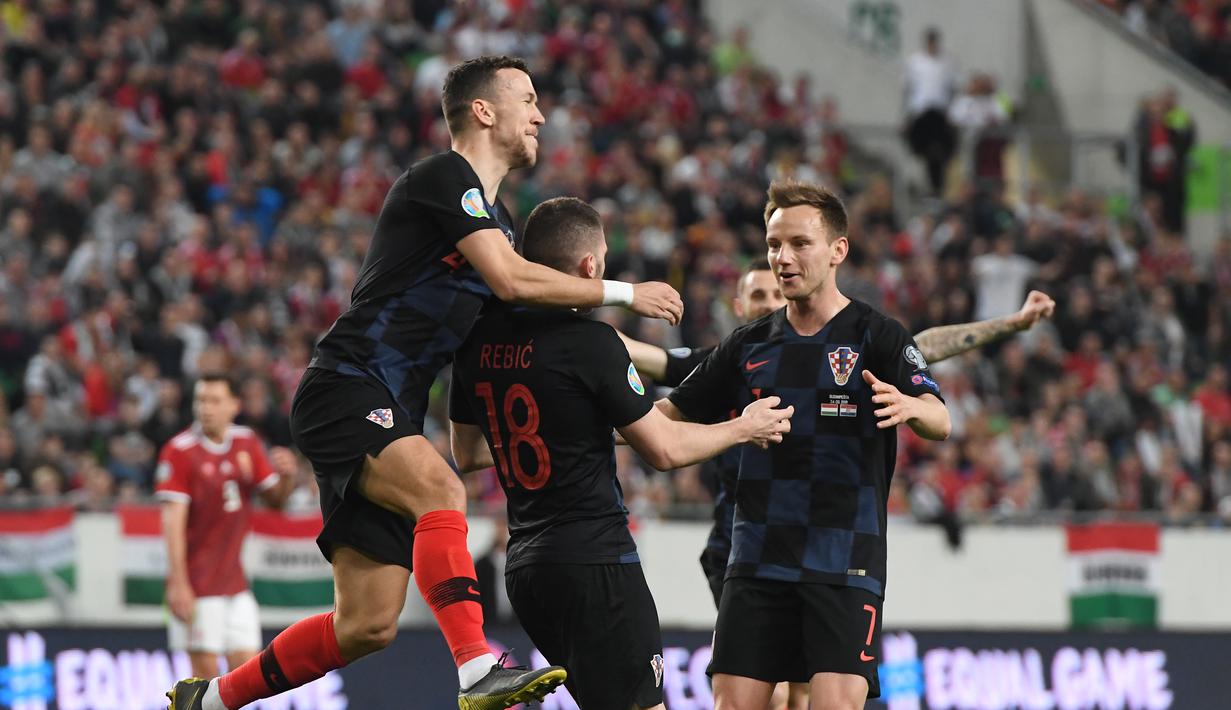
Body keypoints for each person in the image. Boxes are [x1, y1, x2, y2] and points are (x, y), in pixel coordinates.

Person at [168, 55, 683, 710]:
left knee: (366, 625)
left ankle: (208, 700)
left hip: (384, 411)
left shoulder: (492, 230)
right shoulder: (444, 179)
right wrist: (623, 290)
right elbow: (513, 282)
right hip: (346, 386)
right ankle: (474, 669)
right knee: (439, 486)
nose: (541, 115)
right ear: (483, 111)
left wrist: (687, 363)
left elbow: (561, 327)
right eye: (527, 99)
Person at [625, 277, 1053, 710]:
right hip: (746, 545)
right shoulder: (731, 354)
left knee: (806, 693)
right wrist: (590, 317)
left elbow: (926, 350)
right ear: (739, 304)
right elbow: (648, 368)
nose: (772, 299)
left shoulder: (860, 341)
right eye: (759, 295)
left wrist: (1009, 324)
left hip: (834, 550)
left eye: (775, 292)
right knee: (766, 695)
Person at [448, 197, 792, 710]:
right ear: (590, 267)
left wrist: (568, 429)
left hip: (527, 568)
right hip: (596, 562)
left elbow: (469, 451)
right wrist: (744, 427)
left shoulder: (476, 342)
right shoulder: (593, 343)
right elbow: (665, 448)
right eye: (603, 257)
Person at [657, 180, 951, 709]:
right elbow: (664, 418)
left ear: (838, 250)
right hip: (756, 561)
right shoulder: (746, 346)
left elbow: (940, 418)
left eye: (799, 244)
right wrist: (590, 407)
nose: (782, 258)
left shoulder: (877, 335)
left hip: (844, 564)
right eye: (774, 245)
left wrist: (912, 407)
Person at [156, 374, 294, 680]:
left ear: (234, 405)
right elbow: (172, 525)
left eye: (215, 401)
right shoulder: (179, 451)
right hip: (199, 585)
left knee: (247, 676)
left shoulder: (246, 441)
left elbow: (275, 501)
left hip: (235, 583)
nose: (206, 408)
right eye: (201, 400)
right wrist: (178, 583)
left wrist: (286, 477)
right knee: (204, 680)